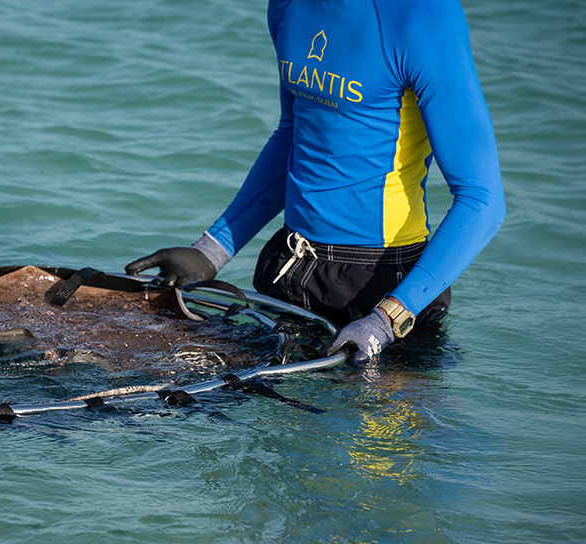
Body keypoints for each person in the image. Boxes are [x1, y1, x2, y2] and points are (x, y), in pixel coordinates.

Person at [126, 0, 505, 363]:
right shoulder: (289, 5)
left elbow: (481, 199)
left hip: (383, 285)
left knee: (379, 428)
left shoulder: (422, 15)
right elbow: (293, 134)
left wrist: (388, 318)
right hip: (291, 269)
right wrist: (213, 250)